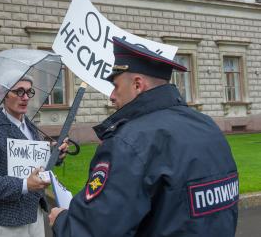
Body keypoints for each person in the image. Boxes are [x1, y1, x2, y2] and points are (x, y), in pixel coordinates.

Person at [49, 37, 238, 236]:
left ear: (138, 85)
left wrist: (62, 221)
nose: (111, 96)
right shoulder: (207, 125)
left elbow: (96, 230)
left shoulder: (129, 142)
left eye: (116, 86)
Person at [0, 76, 68, 237]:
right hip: (6, 224)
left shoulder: (29, 125)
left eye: (28, 92)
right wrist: (24, 185)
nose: (25, 97)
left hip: (35, 214)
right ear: (2, 93)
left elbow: (35, 162)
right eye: (18, 91)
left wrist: (55, 155)